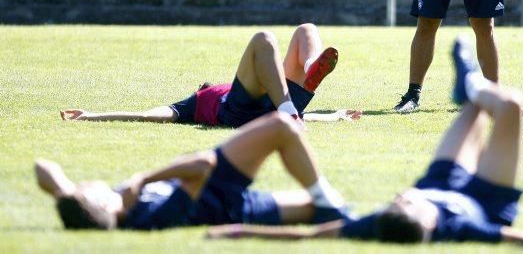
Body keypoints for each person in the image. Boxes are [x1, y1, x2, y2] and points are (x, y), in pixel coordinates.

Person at [208, 37, 523, 245]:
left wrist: (238, 231)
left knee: (475, 108)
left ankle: (471, 89)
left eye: (397, 201)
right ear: (427, 225)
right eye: (407, 203)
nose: (401, 196)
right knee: (510, 105)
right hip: (486, 199)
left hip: (440, 183)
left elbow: (308, 235)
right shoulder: (463, 230)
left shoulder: (382, 223)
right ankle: (472, 85)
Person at [35, 111, 351, 230]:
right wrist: (144, 178)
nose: (90, 183)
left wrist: (65, 190)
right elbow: (202, 165)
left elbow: (42, 168)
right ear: (103, 206)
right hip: (223, 198)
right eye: (88, 189)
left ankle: (327, 202)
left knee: (325, 205)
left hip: (217, 192)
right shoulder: (147, 217)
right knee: (283, 127)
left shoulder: (112, 204)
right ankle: (330, 205)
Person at [59, 23, 361, 127]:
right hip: (240, 112)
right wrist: (92, 115)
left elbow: (308, 116)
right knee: (263, 39)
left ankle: (310, 68)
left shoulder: (222, 89)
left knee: (306, 29)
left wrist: (334, 116)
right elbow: (148, 115)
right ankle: (289, 105)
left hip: (279, 106)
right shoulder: (191, 104)